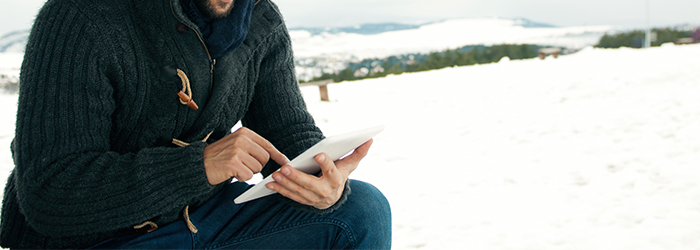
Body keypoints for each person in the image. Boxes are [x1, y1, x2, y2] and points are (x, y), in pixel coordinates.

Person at [0, 0, 391, 248]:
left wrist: (322, 174)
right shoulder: (80, 16)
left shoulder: (259, 20)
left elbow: (286, 130)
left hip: (207, 219)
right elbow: (50, 193)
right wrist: (199, 165)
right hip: (97, 240)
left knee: (361, 209)